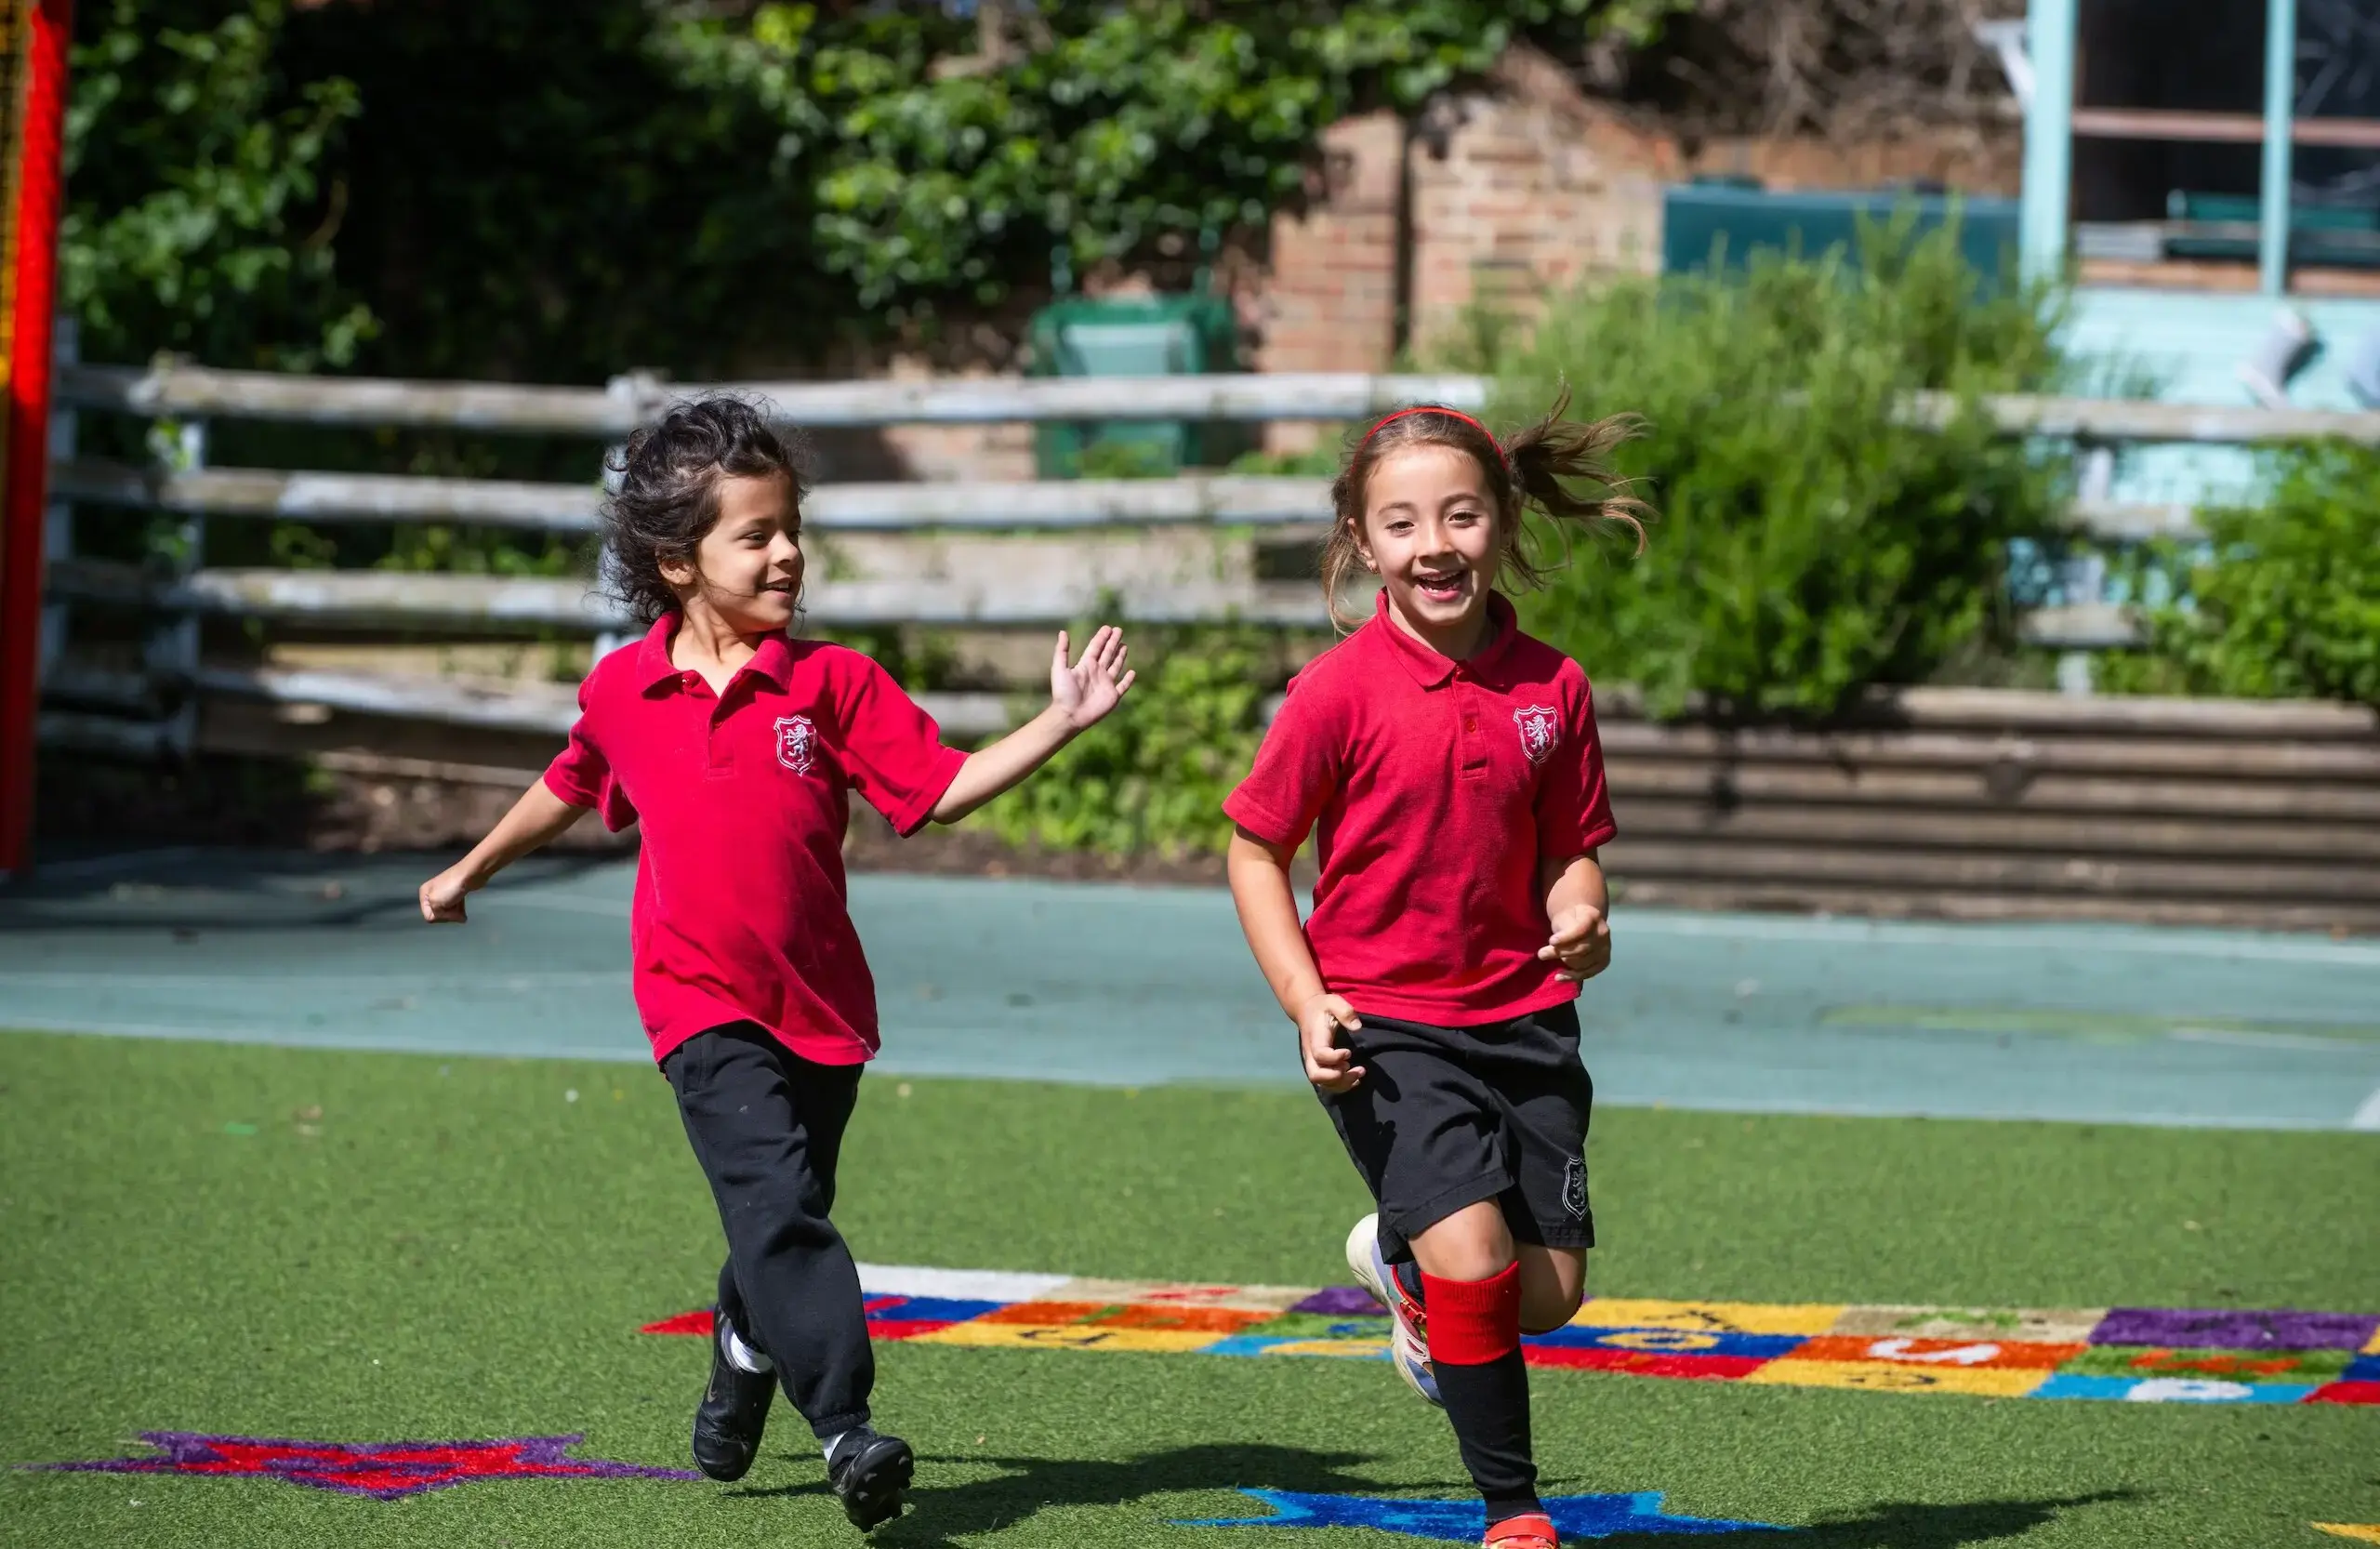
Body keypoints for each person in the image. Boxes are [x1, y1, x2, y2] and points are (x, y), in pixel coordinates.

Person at [416, 396, 1133, 1530]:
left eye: (790, 525)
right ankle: (847, 1427)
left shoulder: (832, 684)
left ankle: (743, 1345)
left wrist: (1059, 723)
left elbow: (935, 791)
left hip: (822, 1009)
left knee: (780, 1216)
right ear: (676, 562)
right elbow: (570, 777)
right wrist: (473, 868)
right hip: (696, 1003)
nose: (787, 551)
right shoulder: (623, 691)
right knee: (779, 1207)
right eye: (754, 535)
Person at [1222, 391, 1647, 1549]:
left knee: (1546, 1295)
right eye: (1402, 524)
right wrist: (1308, 1001)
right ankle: (1513, 1509)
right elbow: (1255, 848)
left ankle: (1397, 1265)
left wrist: (1585, 911)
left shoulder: (1552, 688)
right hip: (1384, 1026)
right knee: (1475, 1261)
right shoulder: (1333, 693)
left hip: (1526, 1021)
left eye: (1460, 516)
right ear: (1364, 543)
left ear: (1502, 522)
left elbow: (1570, 847)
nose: (1435, 545)